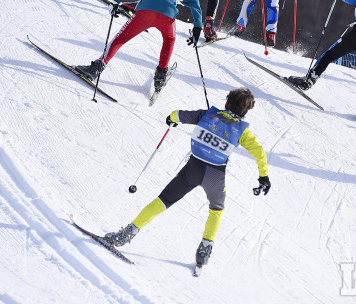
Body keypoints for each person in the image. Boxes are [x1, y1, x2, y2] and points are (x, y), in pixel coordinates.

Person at [103, 88, 270, 270]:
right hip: (215, 176)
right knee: (216, 210)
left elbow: (178, 115)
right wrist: (263, 177)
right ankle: (204, 253)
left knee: (163, 200)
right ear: (244, 112)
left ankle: (127, 234)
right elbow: (260, 153)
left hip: (192, 169)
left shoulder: (207, 115)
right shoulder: (243, 132)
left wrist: (171, 119)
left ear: (226, 103)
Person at [74, 0, 202, 90]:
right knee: (169, 40)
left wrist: (116, 1)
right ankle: (160, 75)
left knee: (120, 39)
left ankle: (97, 68)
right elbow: (195, 3)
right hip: (167, 17)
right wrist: (197, 27)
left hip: (144, 13)